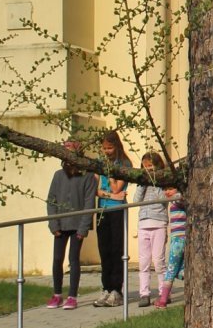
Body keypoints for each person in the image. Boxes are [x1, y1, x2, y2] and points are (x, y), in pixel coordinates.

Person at [45, 142, 96, 310]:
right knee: (57, 259)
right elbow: (51, 200)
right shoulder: (58, 175)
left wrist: (83, 228)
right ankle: (57, 294)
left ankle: (72, 296)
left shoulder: (87, 177)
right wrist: (53, 224)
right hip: (60, 225)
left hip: (77, 226)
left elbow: (89, 203)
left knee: (73, 259)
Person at [93, 130, 131, 307]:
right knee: (104, 249)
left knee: (116, 249)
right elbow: (95, 189)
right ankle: (106, 288)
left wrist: (109, 175)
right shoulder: (99, 163)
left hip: (117, 210)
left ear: (116, 146)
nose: (106, 151)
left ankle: (117, 289)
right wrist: (106, 193)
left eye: (109, 148)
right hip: (102, 209)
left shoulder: (124, 163)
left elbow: (117, 188)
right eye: (104, 148)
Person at [135, 151, 168, 307]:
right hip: (143, 223)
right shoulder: (142, 182)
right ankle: (144, 293)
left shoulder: (162, 181)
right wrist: (142, 183)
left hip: (159, 222)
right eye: (144, 167)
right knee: (144, 262)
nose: (147, 169)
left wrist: (155, 180)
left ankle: (163, 293)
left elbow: (163, 199)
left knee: (159, 260)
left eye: (150, 166)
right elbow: (136, 201)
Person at [157, 188, 187, 308]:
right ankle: (181, 274)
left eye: (170, 189)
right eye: (166, 190)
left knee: (171, 268)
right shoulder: (176, 199)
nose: (167, 192)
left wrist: (176, 194)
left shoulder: (178, 198)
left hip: (178, 239)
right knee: (180, 267)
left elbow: (180, 199)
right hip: (182, 237)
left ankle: (163, 299)